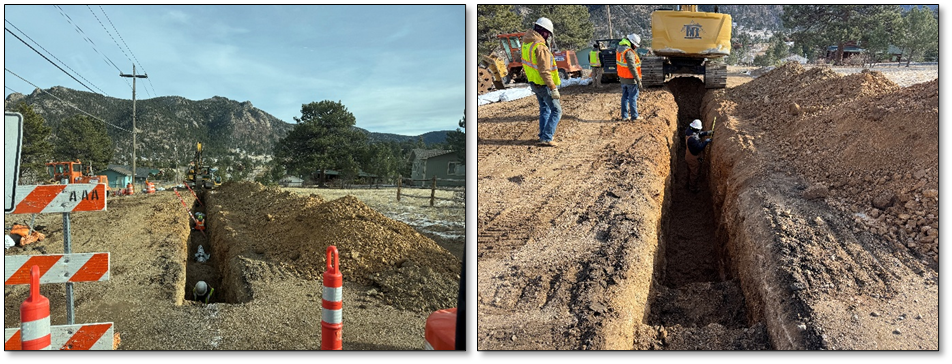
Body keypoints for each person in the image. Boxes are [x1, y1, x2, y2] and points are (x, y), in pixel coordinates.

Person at [521, 17, 562, 148]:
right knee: (556, 111)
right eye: (548, 34)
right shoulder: (540, 47)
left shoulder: (527, 44)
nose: (548, 36)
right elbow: (545, 71)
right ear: (543, 32)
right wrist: (553, 87)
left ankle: (543, 135)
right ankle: (547, 137)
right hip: (544, 84)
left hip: (534, 83)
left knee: (545, 109)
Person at [616, 33, 644, 121]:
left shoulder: (619, 50)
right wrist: (638, 80)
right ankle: (634, 116)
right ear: (631, 43)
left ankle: (624, 116)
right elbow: (632, 67)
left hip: (623, 78)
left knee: (625, 97)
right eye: (635, 45)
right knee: (633, 97)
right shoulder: (628, 52)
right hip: (631, 79)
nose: (635, 47)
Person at [685, 119, 713, 192]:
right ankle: (692, 188)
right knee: (694, 173)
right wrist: (706, 142)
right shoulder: (692, 139)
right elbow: (700, 147)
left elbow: (699, 134)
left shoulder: (690, 131)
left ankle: (687, 183)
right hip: (693, 157)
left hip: (688, 154)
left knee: (689, 170)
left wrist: (707, 133)